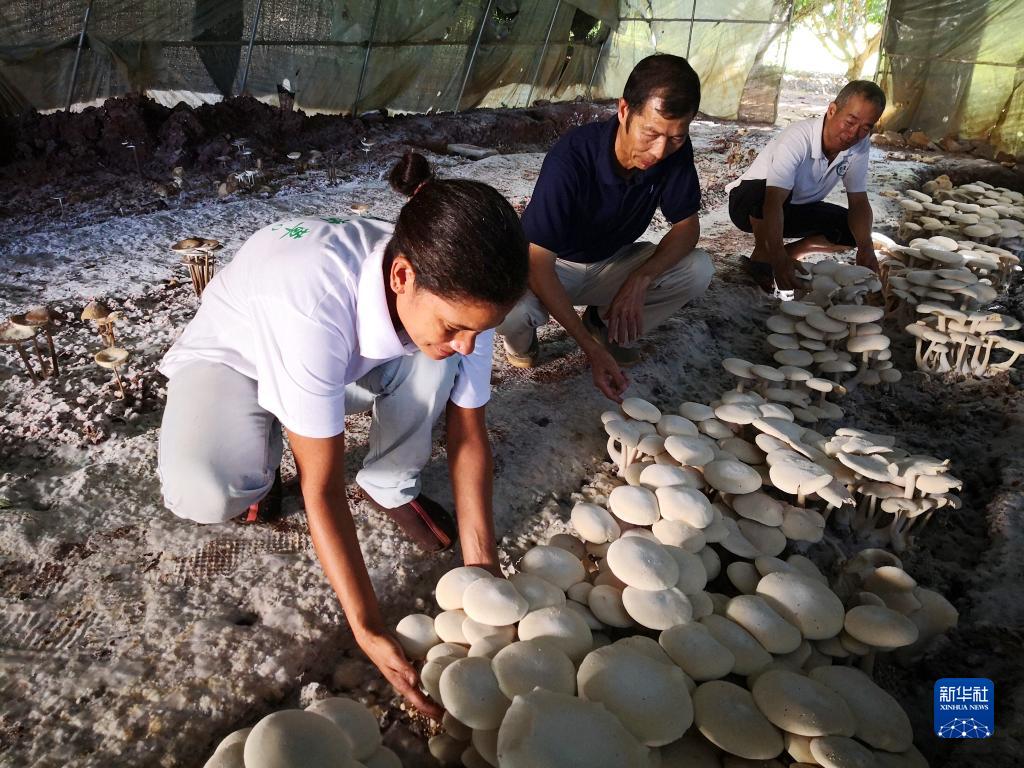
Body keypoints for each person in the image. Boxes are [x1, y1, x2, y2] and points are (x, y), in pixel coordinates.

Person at [156, 152, 528, 717]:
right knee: (207, 489)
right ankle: (264, 439)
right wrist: (367, 625)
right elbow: (321, 487)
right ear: (401, 276)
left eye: (480, 331)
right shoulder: (313, 299)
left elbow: (468, 434)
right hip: (240, 361)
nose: (470, 344)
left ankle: (386, 481)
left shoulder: (453, 292)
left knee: (438, 359)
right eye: (458, 327)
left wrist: (483, 574)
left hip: (337, 364)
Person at [496, 54, 714, 401]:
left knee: (697, 269)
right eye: (651, 133)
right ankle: (524, 339)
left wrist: (640, 278)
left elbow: (687, 227)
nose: (659, 151)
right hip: (552, 266)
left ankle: (602, 323)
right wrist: (588, 351)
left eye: (674, 138)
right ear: (624, 110)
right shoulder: (571, 159)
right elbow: (538, 264)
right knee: (510, 310)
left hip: (611, 262)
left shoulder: (676, 150)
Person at [726, 79, 886, 292]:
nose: (853, 134)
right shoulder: (799, 137)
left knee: (854, 231)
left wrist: (866, 248)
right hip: (750, 205)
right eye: (849, 122)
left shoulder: (859, 146)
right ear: (831, 110)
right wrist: (776, 256)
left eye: (865, 128)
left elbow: (858, 200)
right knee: (763, 193)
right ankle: (765, 256)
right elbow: (773, 202)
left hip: (796, 209)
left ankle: (793, 252)